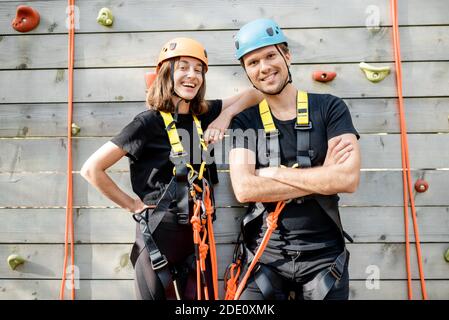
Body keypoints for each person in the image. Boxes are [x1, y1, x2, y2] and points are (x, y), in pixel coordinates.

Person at [80, 37, 262, 300]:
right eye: (183, 68)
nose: (192, 75)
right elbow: (92, 169)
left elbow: (256, 93)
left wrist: (225, 116)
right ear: (167, 73)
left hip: (198, 235)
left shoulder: (204, 114)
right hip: (158, 234)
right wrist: (132, 205)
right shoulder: (147, 123)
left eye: (198, 70)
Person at [227, 19, 361, 300]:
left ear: (287, 55)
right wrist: (322, 176)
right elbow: (245, 189)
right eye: (252, 63)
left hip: (324, 257)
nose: (264, 67)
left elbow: (347, 179)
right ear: (247, 73)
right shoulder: (244, 121)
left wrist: (272, 173)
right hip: (265, 255)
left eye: (270, 56)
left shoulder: (330, 108)